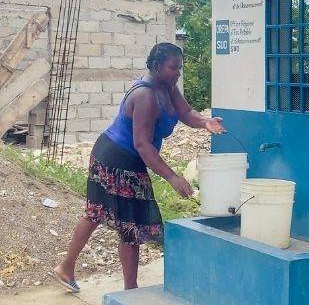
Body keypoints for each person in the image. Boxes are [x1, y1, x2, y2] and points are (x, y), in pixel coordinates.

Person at [49, 42, 225, 292]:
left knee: (114, 220)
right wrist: (173, 177)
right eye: (173, 68)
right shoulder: (145, 95)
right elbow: (142, 145)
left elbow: (185, 112)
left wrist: (205, 122)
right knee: (120, 221)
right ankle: (126, 288)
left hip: (128, 159)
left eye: (180, 68)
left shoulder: (168, 87)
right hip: (115, 159)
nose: (178, 73)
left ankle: (71, 269)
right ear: (156, 66)